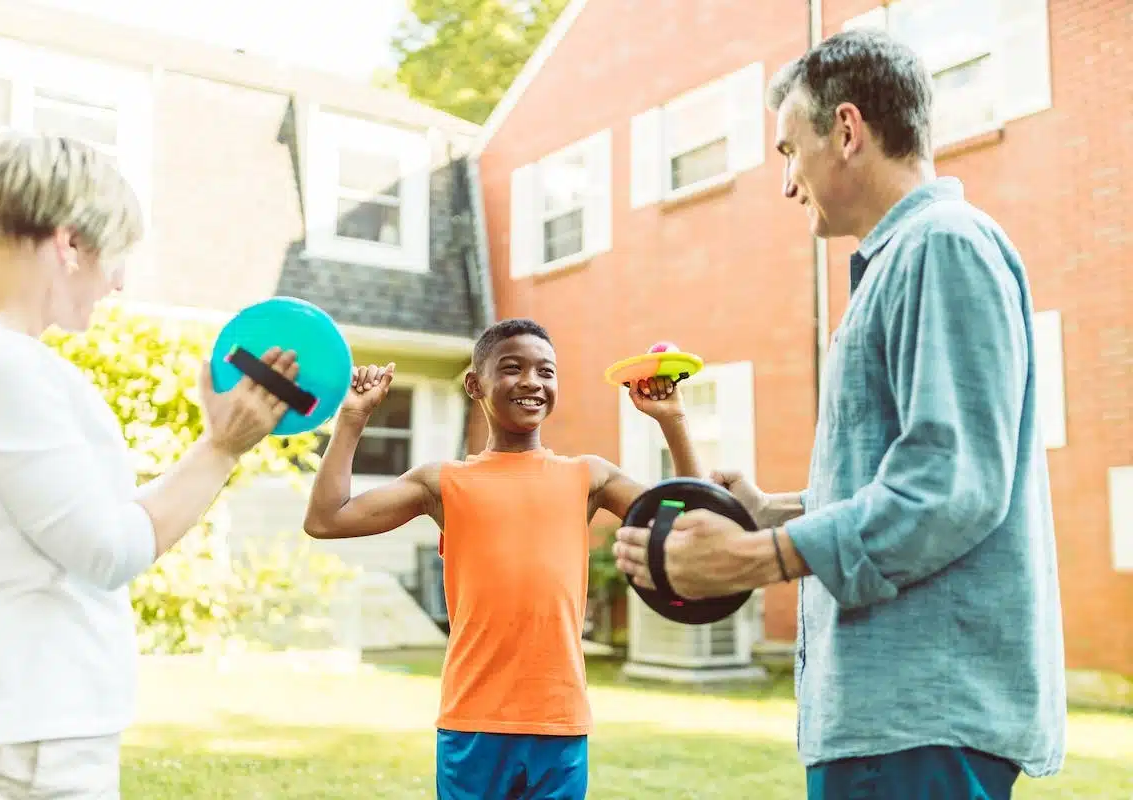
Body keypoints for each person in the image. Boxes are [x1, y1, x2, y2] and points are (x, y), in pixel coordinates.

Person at [612, 28, 1067, 800]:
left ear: (848, 131)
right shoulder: (904, 261)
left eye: (790, 150)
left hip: (924, 719)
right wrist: (772, 511)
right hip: (891, 721)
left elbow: (950, 486)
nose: (788, 182)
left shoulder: (941, 246)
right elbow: (910, 477)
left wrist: (763, 557)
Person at [0, 134, 299, 798]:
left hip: (10, 725)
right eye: (118, 255)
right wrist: (219, 452)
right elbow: (106, 548)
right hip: (26, 737)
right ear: (71, 244)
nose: (121, 281)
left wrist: (215, 448)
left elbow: (95, 524)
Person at [303, 318, 702, 799]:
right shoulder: (441, 482)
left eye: (547, 372)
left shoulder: (589, 477)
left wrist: (673, 422)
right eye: (512, 368)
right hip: (472, 721)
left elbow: (692, 524)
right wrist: (352, 420)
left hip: (558, 720)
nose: (532, 382)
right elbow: (327, 519)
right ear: (475, 384)